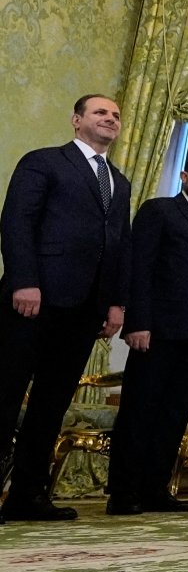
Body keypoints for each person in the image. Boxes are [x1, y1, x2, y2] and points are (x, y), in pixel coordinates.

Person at [0, 94, 132, 523]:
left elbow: (119, 246)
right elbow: (18, 221)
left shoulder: (120, 181)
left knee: (51, 404)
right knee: (5, 394)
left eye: (115, 115)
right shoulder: (43, 162)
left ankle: (27, 496)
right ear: (77, 120)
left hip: (85, 309)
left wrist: (115, 302)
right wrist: (24, 281)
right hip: (34, 301)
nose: (109, 118)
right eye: (100, 112)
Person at [107, 152, 188, 514]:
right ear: (185, 175)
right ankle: (124, 493)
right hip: (157, 331)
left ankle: (155, 489)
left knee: (174, 415)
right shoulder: (159, 210)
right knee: (139, 411)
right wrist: (138, 323)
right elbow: (139, 267)